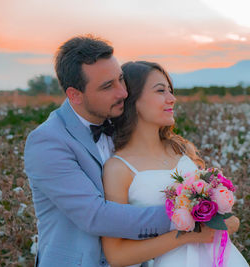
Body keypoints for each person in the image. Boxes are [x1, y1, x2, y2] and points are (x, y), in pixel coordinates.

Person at [24, 35, 215, 267]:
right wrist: (193, 214)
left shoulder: (121, 125)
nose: (123, 93)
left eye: (120, 80)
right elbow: (95, 216)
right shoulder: (48, 142)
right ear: (74, 95)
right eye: (107, 86)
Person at [102, 61, 249, 267]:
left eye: (170, 91)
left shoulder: (181, 150)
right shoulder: (118, 168)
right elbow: (117, 255)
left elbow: (225, 220)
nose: (172, 99)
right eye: (160, 91)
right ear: (132, 99)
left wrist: (227, 220)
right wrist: (189, 236)